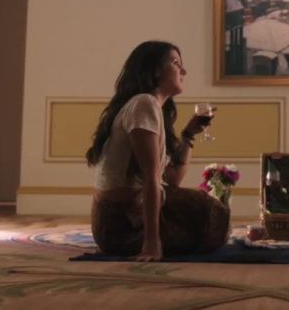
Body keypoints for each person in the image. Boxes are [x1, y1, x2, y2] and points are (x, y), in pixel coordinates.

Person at [86, 40, 229, 261]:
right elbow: (151, 178)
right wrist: (151, 245)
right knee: (213, 215)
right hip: (120, 224)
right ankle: (148, 239)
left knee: (214, 215)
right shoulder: (144, 103)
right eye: (176, 63)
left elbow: (171, 179)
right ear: (155, 70)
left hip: (119, 222)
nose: (184, 71)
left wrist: (188, 135)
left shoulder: (150, 107)